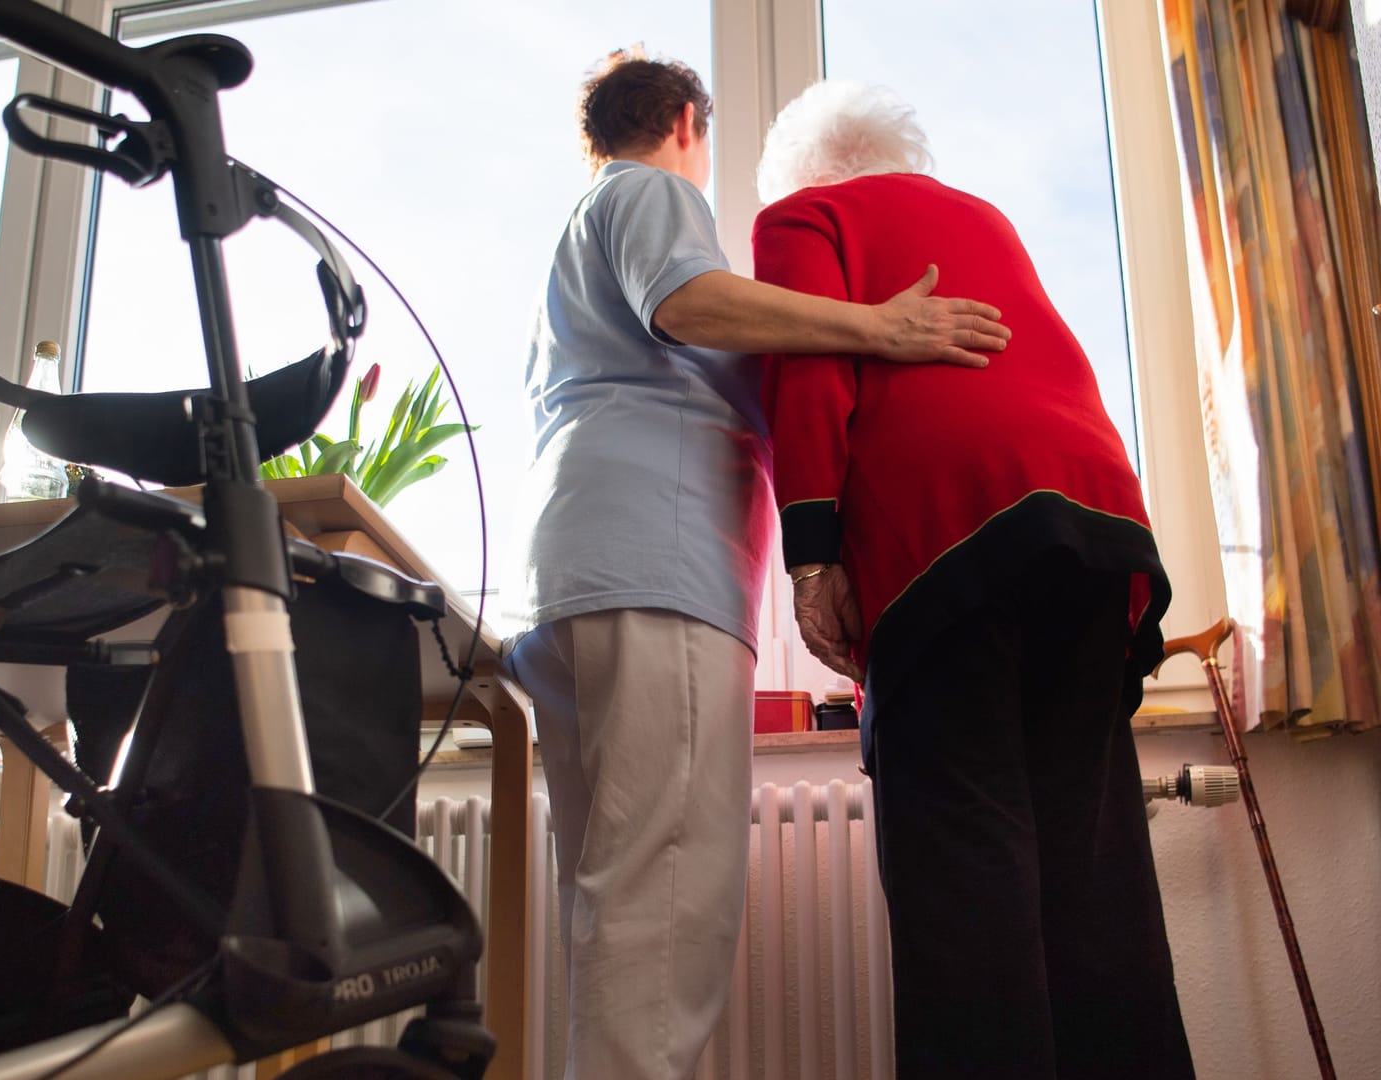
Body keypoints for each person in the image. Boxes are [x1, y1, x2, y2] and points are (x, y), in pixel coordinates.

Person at [501, 52, 1010, 1080]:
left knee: (615, 903)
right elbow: (691, 304)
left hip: (570, 578)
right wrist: (879, 325)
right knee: (667, 906)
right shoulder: (650, 193)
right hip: (653, 570)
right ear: (688, 119)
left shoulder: (576, 244)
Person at [752, 80, 1194, 1080]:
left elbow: (810, 373)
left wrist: (813, 553)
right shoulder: (982, 217)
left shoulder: (802, 218)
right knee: (1093, 872)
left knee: (965, 871)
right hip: (1092, 526)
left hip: (947, 535)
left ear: (799, 172)